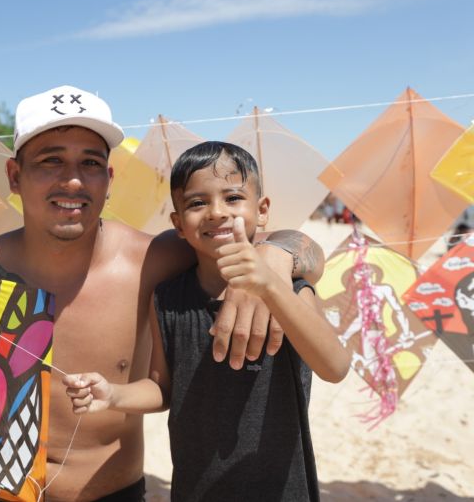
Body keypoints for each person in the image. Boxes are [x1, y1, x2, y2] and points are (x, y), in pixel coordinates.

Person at [0, 87, 325, 502]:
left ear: (109, 178)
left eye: (90, 162)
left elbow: (310, 255)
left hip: (114, 494)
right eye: (51, 160)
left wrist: (274, 257)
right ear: (15, 176)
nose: (72, 179)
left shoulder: (153, 260)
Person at [64, 142, 349, 501]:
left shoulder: (291, 288)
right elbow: (163, 388)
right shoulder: (167, 299)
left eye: (233, 198)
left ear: (262, 211)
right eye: (197, 203)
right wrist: (113, 393)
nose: (216, 212)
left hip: (281, 490)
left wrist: (271, 288)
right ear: (178, 224)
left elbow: (335, 367)